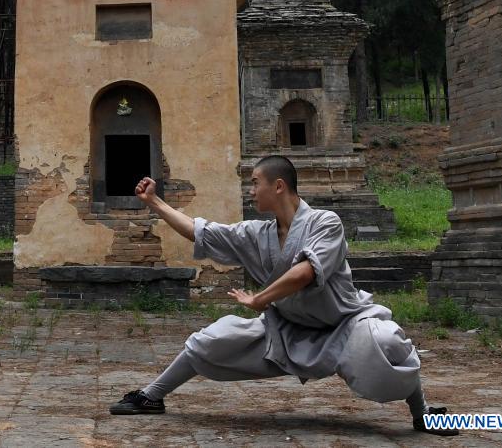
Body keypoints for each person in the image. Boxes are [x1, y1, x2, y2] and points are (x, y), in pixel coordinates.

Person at [109, 155, 458, 437]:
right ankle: (151, 396)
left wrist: (260, 299)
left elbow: (306, 272)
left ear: (278, 186)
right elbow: (203, 232)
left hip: (345, 326)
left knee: (387, 342)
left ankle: (424, 414)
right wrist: (154, 202)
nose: (251, 192)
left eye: (254, 183)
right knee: (212, 340)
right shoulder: (256, 233)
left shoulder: (326, 222)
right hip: (287, 328)